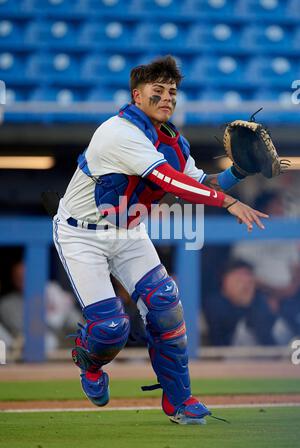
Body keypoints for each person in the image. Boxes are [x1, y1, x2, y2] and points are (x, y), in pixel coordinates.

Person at [52, 56, 268, 425]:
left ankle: (180, 401)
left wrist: (237, 173)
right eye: (158, 90)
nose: (168, 98)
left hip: (127, 231)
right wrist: (227, 201)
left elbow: (197, 184)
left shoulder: (172, 141)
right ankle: (90, 361)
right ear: (137, 95)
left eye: (172, 92)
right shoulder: (117, 132)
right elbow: (170, 182)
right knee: (110, 330)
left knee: (166, 307)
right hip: (80, 234)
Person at [204, 260, 276, 346]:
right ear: (225, 281)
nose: (246, 286)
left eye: (250, 282)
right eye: (239, 280)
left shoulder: (260, 302)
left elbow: (268, 341)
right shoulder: (215, 304)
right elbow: (223, 338)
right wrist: (244, 303)